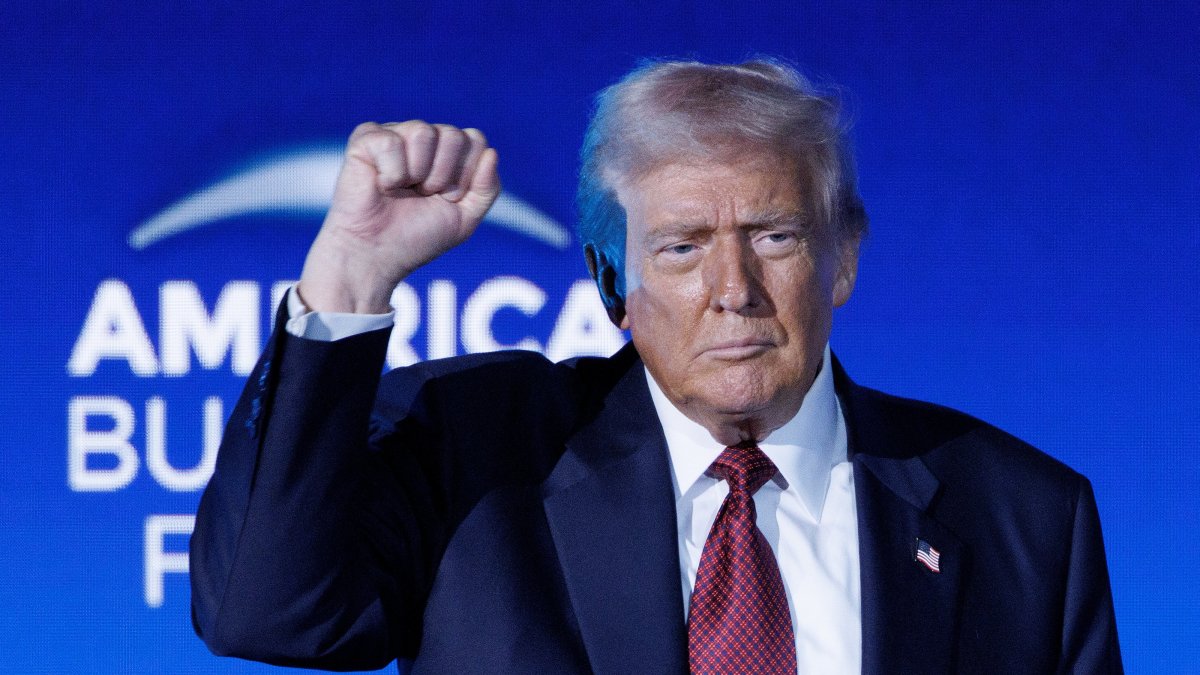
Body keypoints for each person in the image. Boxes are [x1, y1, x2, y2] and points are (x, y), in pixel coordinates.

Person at [190, 59, 1122, 674]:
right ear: (613, 285)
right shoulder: (478, 454)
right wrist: (351, 274)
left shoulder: (1025, 518)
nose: (734, 289)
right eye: (682, 247)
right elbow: (266, 610)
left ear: (842, 258)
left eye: (775, 235)